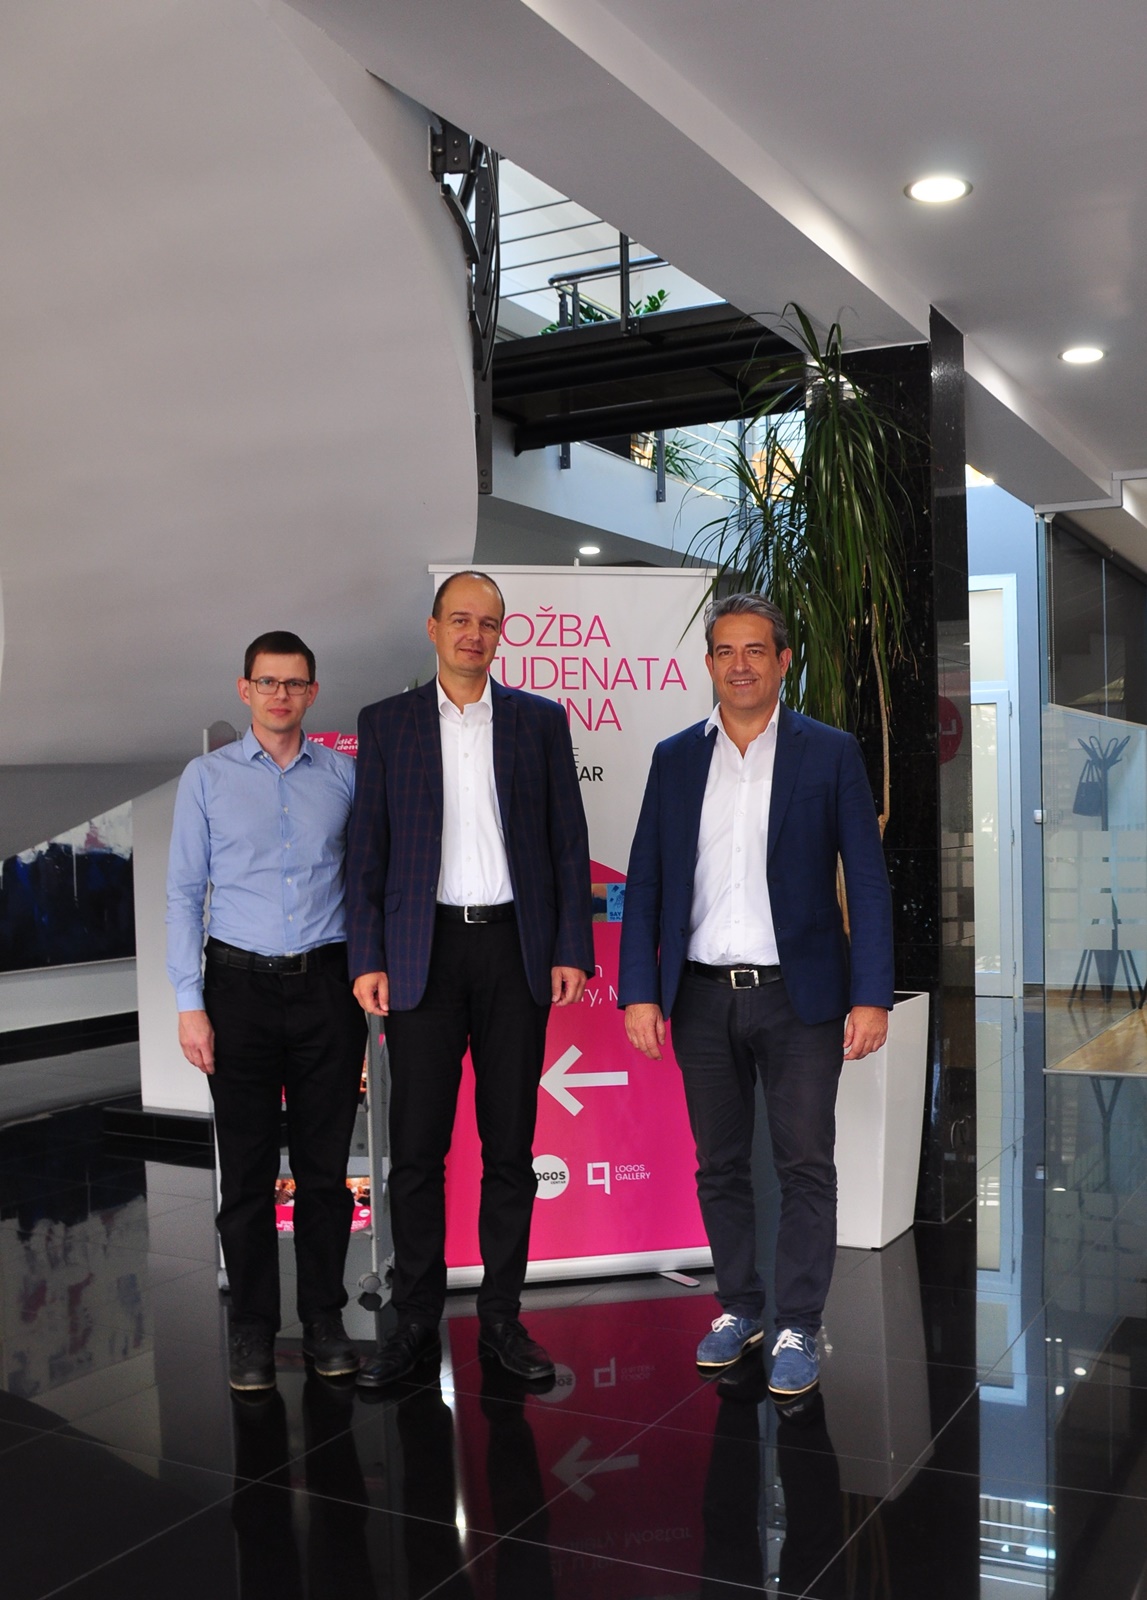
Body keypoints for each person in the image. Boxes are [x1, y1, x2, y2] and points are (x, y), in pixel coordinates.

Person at [618, 593, 893, 1397]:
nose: (739, 665)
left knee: (805, 1163)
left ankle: (798, 1322)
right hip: (701, 997)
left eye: (754, 650)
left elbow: (866, 882)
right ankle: (738, 1308)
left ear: (782, 660)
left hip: (798, 998)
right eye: (724, 651)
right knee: (719, 1164)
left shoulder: (828, 752)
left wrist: (871, 995)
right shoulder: (675, 758)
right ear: (708, 663)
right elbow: (646, 880)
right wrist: (640, 992)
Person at [346, 570, 594, 1387]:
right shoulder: (386, 724)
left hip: (513, 952)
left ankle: (501, 1318)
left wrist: (570, 946)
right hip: (421, 956)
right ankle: (416, 1318)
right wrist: (368, 956)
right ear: (433, 628)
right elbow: (367, 849)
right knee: (416, 1151)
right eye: (459, 619)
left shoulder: (538, 721)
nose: (472, 635)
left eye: (487, 623)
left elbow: (565, 842)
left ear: (500, 634)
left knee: (510, 1148)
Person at [167, 630, 366, 1392]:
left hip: (326, 990)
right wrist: (190, 1004)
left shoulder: (344, 777)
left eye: (294, 683)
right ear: (244, 689)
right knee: (247, 1175)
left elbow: (366, 881)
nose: (281, 695)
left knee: (323, 1174)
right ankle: (251, 1327)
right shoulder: (206, 779)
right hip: (237, 992)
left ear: (313, 693)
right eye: (267, 682)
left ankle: (323, 1320)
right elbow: (184, 894)